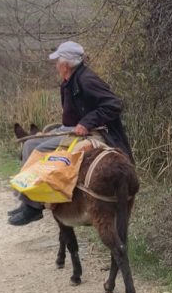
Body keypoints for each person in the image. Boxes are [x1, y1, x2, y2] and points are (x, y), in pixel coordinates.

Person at [8, 41, 134, 226]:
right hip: (70, 128)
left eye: (57, 61)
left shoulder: (86, 80)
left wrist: (86, 123)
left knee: (32, 146)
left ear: (66, 64)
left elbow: (113, 104)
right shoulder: (71, 80)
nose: (55, 65)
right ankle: (28, 199)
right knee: (31, 142)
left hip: (92, 131)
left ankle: (33, 207)